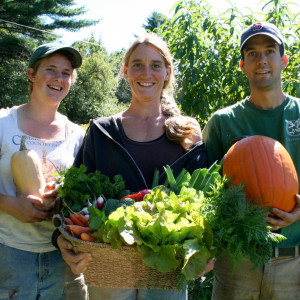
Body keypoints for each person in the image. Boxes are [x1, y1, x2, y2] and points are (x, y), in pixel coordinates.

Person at [55, 33, 208, 300]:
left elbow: (206, 204)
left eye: (155, 65)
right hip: (109, 269)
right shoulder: (102, 131)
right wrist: (62, 239)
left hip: (166, 271)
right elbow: (73, 198)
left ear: (167, 72)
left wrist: (208, 251)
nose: (145, 72)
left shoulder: (187, 133)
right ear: (125, 71)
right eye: (137, 64)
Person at [202, 22, 300, 299]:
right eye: (253, 53)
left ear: (284, 60)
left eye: (269, 51)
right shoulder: (223, 122)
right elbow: (204, 192)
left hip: (295, 262)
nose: (262, 60)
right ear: (243, 64)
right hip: (238, 262)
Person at [0, 43, 88, 299]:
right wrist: (8, 204)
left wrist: (65, 198)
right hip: (9, 256)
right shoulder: (3, 124)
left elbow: (85, 197)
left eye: (66, 72)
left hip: (63, 258)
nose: (59, 78)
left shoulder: (78, 136)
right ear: (31, 74)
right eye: (51, 70)